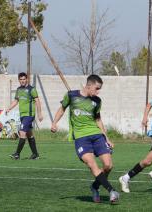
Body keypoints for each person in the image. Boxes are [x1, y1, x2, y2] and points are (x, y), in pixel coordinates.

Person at [50, 74, 119, 203]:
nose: (98, 92)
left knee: (108, 165)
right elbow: (62, 109)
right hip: (81, 138)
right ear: (89, 85)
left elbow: (98, 119)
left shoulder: (97, 101)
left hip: (97, 135)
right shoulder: (71, 95)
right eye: (97, 88)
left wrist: (107, 138)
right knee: (92, 164)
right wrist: (54, 123)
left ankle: (95, 186)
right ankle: (112, 191)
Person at [7, 72, 43, 160]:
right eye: (21, 79)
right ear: (19, 80)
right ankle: (35, 154)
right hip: (22, 115)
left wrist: (39, 113)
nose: (22, 81)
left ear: (27, 79)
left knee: (22, 132)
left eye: (24, 79)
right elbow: (16, 101)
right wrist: (9, 108)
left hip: (29, 115)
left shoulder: (32, 89)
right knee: (29, 134)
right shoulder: (19, 90)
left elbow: (37, 101)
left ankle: (17, 154)